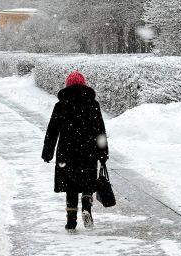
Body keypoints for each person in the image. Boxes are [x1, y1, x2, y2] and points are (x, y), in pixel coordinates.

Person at [42, 71, 108, 232]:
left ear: (68, 85)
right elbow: (100, 131)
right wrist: (103, 152)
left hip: (67, 152)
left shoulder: (61, 105)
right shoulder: (93, 105)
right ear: (84, 84)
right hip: (88, 151)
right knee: (87, 183)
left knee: (70, 186)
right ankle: (86, 206)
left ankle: (71, 221)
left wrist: (47, 152)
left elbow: (52, 131)